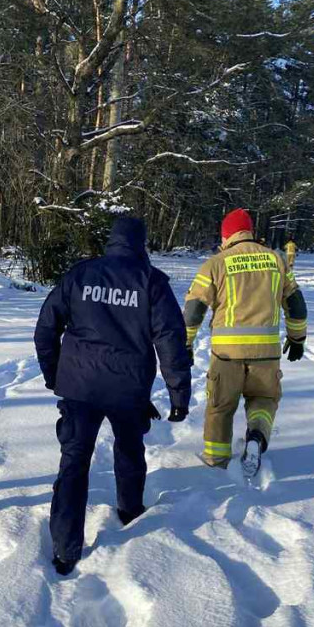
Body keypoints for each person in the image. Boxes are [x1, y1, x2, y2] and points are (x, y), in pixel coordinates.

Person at [34, 217, 192, 575]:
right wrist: (178, 394)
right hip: (127, 387)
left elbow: (45, 328)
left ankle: (65, 549)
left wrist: (55, 375)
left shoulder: (81, 274)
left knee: (73, 462)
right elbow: (170, 340)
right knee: (129, 449)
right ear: (142, 244)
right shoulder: (150, 282)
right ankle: (130, 510)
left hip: (80, 386)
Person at [183, 208, 307, 475]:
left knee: (220, 407)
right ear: (250, 231)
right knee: (264, 400)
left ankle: (215, 464)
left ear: (227, 235)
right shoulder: (277, 260)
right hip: (266, 354)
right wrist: (297, 338)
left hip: (227, 356)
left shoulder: (216, 263)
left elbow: (194, 309)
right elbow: (296, 305)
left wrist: (186, 344)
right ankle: (256, 438)